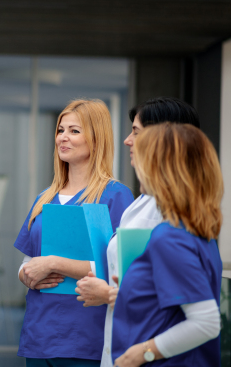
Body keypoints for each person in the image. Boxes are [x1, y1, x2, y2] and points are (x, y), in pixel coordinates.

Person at [74, 97, 201, 367]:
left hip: (151, 352)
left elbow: (187, 306)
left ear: (163, 140)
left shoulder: (176, 210)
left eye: (136, 132)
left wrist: (108, 294)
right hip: (126, 345)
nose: (127, 141)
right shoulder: (144, 201)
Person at [14, 99, 134, 367]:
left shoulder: (116, 196)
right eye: (60, 130)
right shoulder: (44, 198)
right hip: (39, 336)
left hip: (86, 339)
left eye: (74, 131)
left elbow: (120, 272)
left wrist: (54, 264)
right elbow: (27, 263)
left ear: (96, 138)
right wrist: (27, 276)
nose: (62, 138)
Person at [111, 123, 222, 366]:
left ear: (162, 170)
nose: (136, 166)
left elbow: (206, 322)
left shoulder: (170, 237)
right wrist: (134, 289)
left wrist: (141, 353)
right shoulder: (197, 232)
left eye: (143, 160)